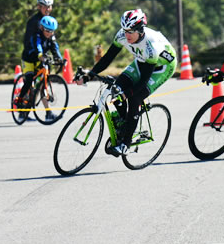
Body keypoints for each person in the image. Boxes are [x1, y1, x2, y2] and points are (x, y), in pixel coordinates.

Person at [76, 9, 177, 156]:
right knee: (115, 90)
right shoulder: (122, 35)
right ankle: (126, 123)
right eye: (125, 30)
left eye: (130, 32)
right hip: (142, 61)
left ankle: (126, 144)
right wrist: (89, 76)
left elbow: (143, 81)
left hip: (162, 68)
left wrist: (127, 94)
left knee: (135, 97)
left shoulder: (151, 46)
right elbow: (107, 58)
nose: (126, 35)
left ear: (140, 30)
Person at [16, 15, 64, 121]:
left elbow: (55, 48)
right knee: (29, 81)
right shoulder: (36, 35)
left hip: (40, 61)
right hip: (29, 60)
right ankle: (19, 100)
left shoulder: (51, 36)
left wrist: (59, 59)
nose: (49, 33)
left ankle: (48, 113)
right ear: (42, 28)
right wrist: (41, 55)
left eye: (52, 31)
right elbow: (38, 47)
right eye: (47, 30)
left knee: (42, 85)